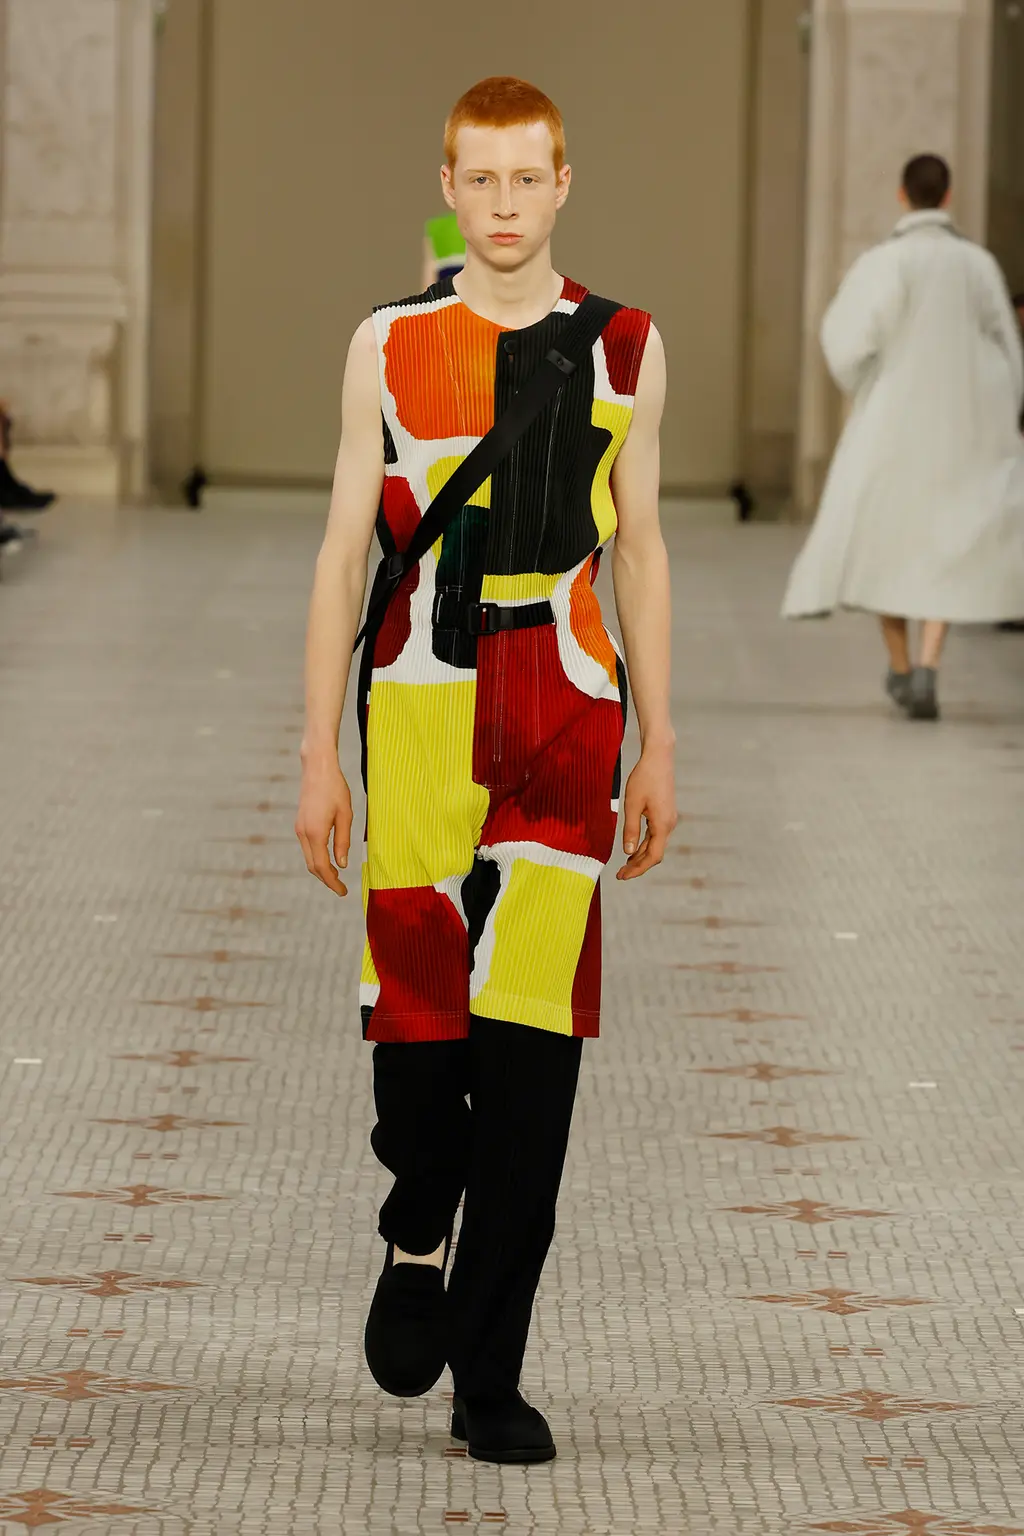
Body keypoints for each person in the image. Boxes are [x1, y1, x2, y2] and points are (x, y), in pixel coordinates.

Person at [295, 76, 676, 1464]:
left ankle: (489, 1370)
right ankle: (417, 1224)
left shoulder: (623, 344)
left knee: (532, 1046)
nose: (505, 205)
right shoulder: (388, 342)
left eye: (528, 179)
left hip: (567, 703)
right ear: (447, 186)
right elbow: (343, 547)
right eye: (482, 179)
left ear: (562, 184)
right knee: (418, 1021)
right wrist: (316, 750)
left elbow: (640, 546)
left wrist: (662, 739)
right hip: (416, 694)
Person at [782, 154, 1024, 719]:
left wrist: (869, 382)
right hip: (963, 426)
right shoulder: (977, 265)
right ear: (948, 195)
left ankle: (900, 666)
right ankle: (929, 665)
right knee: (947, 542)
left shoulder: (883, 263)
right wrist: (1003, 412)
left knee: (885, 543)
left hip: (893, 423)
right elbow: (1007, 347)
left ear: (901, 194)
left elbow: (845, 340)